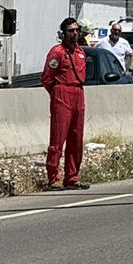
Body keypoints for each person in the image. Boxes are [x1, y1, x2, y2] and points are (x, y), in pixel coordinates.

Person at [40, 17, 90, 191]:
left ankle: (72, 177)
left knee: (76, 138)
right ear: (63, 33)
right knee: (58, 138)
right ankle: (53, 178)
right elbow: (47, 78)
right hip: (62, 92)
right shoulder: (57, 52)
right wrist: (56, 94)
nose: (74, 33)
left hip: (78, 93)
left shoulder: (80, 52)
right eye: (71, 30)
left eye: (76, 30)